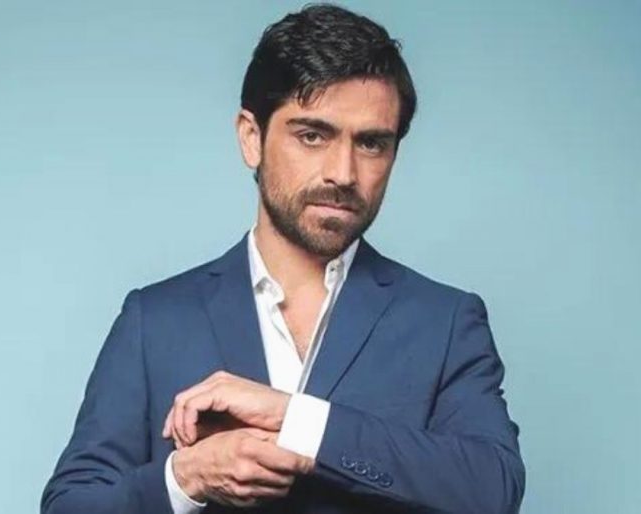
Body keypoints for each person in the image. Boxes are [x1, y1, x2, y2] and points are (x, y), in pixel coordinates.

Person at [40, 4, 525, 513]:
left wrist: (298, 421)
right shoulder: (156, 320)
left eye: (371, 143)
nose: (343, 173)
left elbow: (492, 490)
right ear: (252, 138)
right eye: (312, 135)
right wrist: (185, 479)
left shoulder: (444, 322)